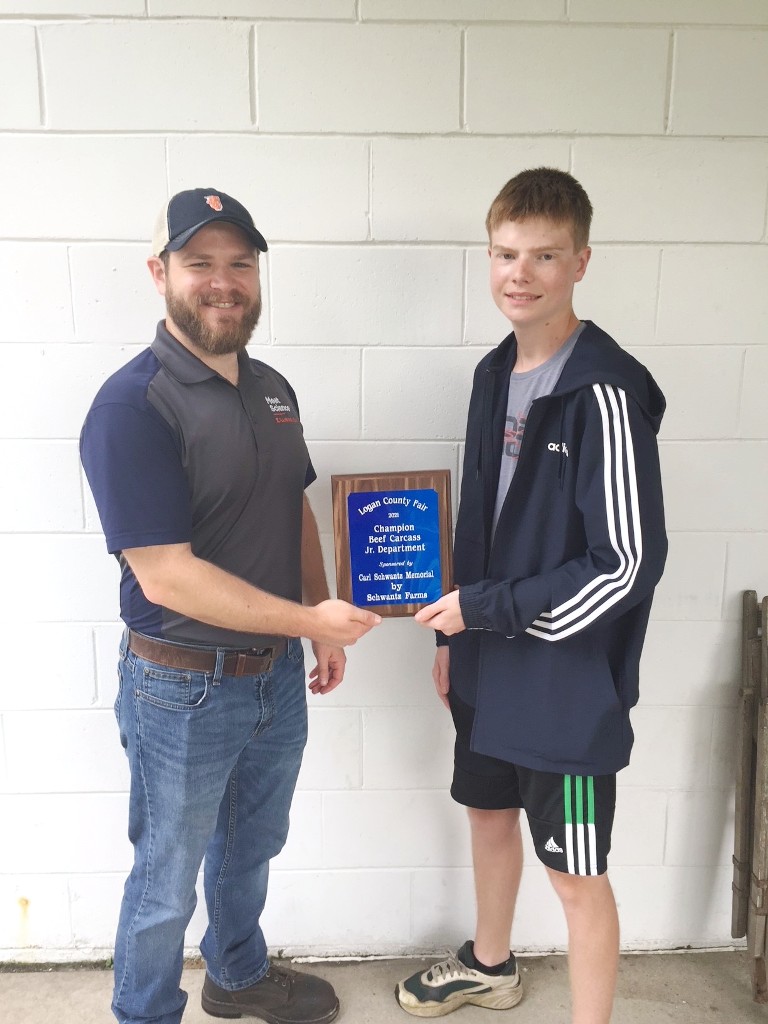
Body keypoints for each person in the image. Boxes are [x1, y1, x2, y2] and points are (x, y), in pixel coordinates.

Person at [80, 187, 381, 1024]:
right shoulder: (131, 406)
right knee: (166, 878)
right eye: (200, 262)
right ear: (160, 273)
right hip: (181, 687)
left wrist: (320, 621)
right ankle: (145, 1012)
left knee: (252, 845)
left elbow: (294, 506)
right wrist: (309, 622)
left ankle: (237, 975)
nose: (224, 281)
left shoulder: (273, 388)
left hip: (275, 675)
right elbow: (166, 577)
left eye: (240, 263)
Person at [395, 168, 667, 1023]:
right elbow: (477, 525)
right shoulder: (492, 374)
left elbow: (626, 564)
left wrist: (486, 612)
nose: (521, 273)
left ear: (580, 261)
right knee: (486, 814)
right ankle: (490, 965)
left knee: (576, 877)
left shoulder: (606, 392)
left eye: (544, 255)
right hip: (485, 667)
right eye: (506, 254)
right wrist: (452, 639)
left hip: (564, 691)